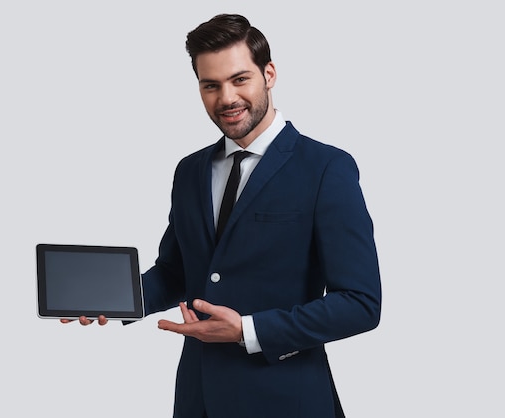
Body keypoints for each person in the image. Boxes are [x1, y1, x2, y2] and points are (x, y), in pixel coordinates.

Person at [63, 13, 381, 418]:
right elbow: (179, 273)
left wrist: (249, 331)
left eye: (239, 79)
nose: (226, 98)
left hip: (287, 400)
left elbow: (360, 303)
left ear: (269, 74)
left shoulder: (325, 168)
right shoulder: (190, 170)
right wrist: (112, 297)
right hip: (198, 399)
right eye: (210, 85)